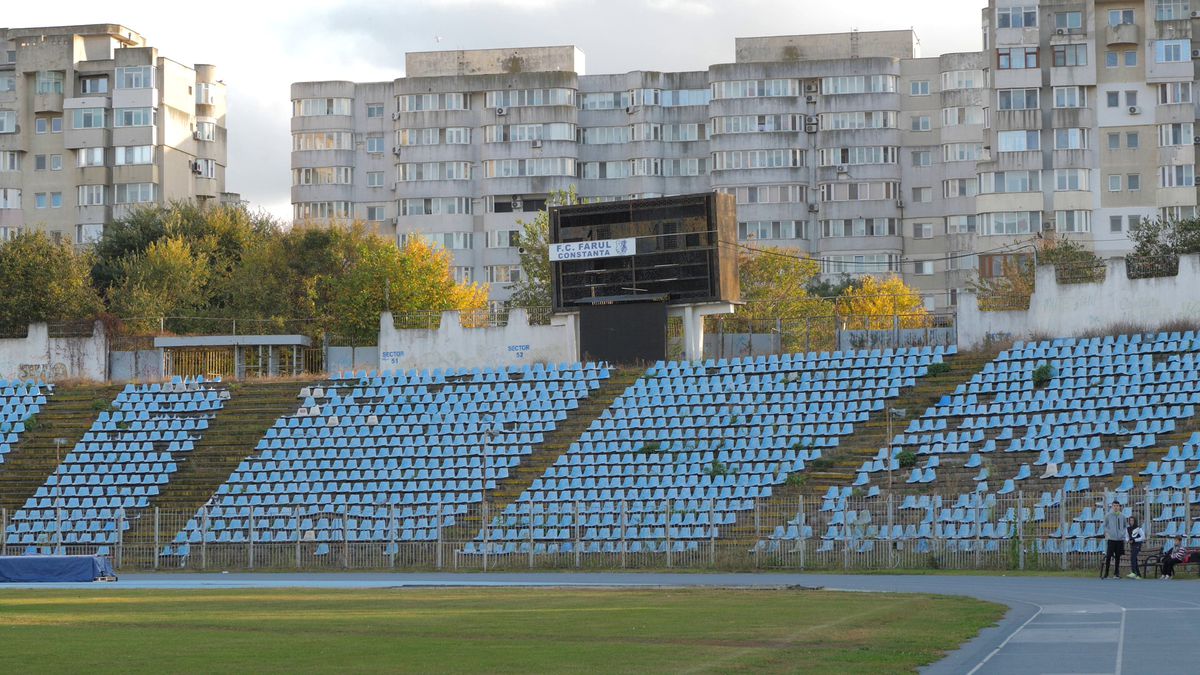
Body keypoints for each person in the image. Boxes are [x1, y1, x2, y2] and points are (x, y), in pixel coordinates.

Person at [1101, 500, 1125, 579]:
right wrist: (1109, 532)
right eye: (1114, 506)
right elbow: (1104, 525)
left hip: (1119, 540)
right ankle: (1106, 574)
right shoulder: (1108, 515)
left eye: (1117, 506)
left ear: (1119, 507)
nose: (1116, 507)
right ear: (1112, 506)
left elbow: (1125, 526)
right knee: (1108, 556)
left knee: (1118, 557)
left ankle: (1116, 574)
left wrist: (1122, 533)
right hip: (1111, 539)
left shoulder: (1122, 516)